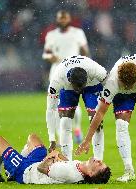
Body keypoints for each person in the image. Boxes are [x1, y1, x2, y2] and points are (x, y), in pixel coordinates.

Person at [76, 54, 136, 182]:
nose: (127, 87)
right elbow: (100, 113)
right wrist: (87, 140)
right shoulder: (113, 81)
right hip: (123, 95)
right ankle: (128, 170)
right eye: (123, 84)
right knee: (121, 126)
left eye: (129, 85)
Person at [0, 133, 111, 184]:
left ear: (92, 173)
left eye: (100, 165)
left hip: (27, 171)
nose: (99, 161)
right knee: (33, 137)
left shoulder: (67, 173)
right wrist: (57, 155)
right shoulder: (80, 168)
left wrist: (50, 157)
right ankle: (10, 172)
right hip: (37, 162)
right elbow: (66, 162)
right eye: (102, 162)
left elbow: (41, 168)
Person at [42, 10, 90, 145]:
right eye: (60, 19)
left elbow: (85, 50)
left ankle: (77, 128)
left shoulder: (77, 33)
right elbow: (45, 54)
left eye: (65, 18)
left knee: (74, 102)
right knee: (56, 104)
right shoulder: (51, 35)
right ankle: (58, 136)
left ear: (69, 19)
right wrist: (50, 57)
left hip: (73, 72)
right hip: (56, 72)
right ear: (57, 20)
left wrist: (84, 61)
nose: (63, 20)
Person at [46, 55, 107, 161]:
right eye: (77, 88)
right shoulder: (57, 79)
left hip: (92, 86)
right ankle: (67, 162)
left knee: (97, 122)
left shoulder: (96, 70)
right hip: (68, 89)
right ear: (70, 80)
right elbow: (51, 109)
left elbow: (110, 85)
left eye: (81, 87)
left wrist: (107, 100)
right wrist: (52, 138)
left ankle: (98, 162)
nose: (79, 91)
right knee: (65, 121)